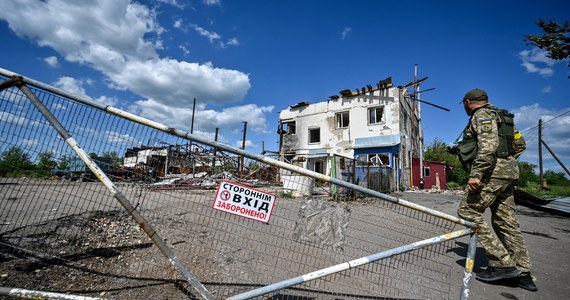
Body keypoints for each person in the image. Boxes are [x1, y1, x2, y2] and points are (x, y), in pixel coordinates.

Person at [453, 88, 537, 291]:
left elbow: (488, 146)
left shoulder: (481, 115)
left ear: (467, 102)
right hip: (508, 175)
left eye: (464, 104)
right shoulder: (503, 117)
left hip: (491, 175)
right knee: (505, 221)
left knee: (468, 211)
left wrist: (477, 173)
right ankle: (523, 273)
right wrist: (506, 163)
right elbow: (520, 145)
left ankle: (502, 263)